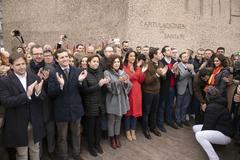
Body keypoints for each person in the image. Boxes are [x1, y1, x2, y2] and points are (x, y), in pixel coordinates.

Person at [0, 53, 45, 160]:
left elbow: (42, 97)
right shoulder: (4, 81)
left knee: (35, 150)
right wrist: (26, 95)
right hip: (17, 122)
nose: (21, 67)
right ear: (11, 66)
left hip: (34, 121)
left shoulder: (34, 77)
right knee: (22, 153)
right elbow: (6, 101)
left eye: (23, 64)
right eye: (18, 64)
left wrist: (38, 93)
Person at [48, 49, 87, 160]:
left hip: (75, 108)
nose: (65, 59)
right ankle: (63, 156)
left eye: (66, 56)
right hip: (61, 110)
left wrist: (80, 82)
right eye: (62, 57)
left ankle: (76, 153)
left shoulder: (77, 70)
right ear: (57, 59)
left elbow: (82, 90)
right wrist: (60, 86)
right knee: (62, 137)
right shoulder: (53, 73)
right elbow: (51, 93)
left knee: (76, 134)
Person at [193, 86, 234, 160]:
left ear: (208, 96)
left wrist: (204, 111)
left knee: (199, 135)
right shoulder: (218, 102)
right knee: (195, 128)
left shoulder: (213, 106)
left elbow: (207, 127)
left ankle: (214, 158)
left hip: (225, 135)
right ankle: (212, 142)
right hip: (219, 129)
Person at [81, 55, 109, 157]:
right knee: (90, 127)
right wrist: (99, 85)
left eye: (97, 62)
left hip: (100, 104)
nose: (96, 63)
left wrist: (106, 84)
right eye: (93, 61)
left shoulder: (100, 72)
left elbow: (103, 90)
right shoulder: (84, 73)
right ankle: (91, 146)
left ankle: (97, 144)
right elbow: (84, 91)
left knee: (98, 127)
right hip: (90, 104)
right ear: (88, 63)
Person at [104, 55, 132, 149]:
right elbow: (109, 88)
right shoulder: (107, 72)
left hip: (121, 100)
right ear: (111, 63)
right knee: (111, 120)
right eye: (114, 62)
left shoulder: (122, 72)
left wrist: (126, 83)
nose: (117, 64)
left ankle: (117, 136)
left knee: (119, 119)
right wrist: (119, 82)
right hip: (112, 100)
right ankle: (112, 138)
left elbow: (129, 86)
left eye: (118, 62)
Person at [142, 47, 167, 139]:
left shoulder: (160, 63)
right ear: (154, 55)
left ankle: (153, 127)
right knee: (146, 112)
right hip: (148, 92)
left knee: (154, 111)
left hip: (157, 91)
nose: (161, 55)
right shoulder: (146, 64)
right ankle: (145, 129)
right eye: (160, 53)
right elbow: (147, 81)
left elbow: (163, 78)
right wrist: (157, 74)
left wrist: (163, 74)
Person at [123, 49, 145, 141]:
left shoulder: (138, 67)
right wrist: (136, 73)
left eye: (134, 56)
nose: (132, 58)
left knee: (135, 112)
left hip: (137, 91)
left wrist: (139, 73)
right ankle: (127, 131)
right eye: (131, 56)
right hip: (128, 91)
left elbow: (141, 80)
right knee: (128, 113)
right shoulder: (124, 67)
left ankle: (133, 130)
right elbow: (128, 79)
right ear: (127, 57)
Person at [176, 52, 195, 127]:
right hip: (181, 88)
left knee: (185, 106)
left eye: (187, 56)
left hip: (189, 88)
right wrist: (188, 70)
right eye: (184, 56)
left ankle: (183, 119)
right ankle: (178, 120)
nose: (186, 58)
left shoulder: (191, 65)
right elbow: (180, 77)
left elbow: (194, 75)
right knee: (178, 105)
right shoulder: (177, 65)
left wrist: (191, 70)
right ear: (180, 58)